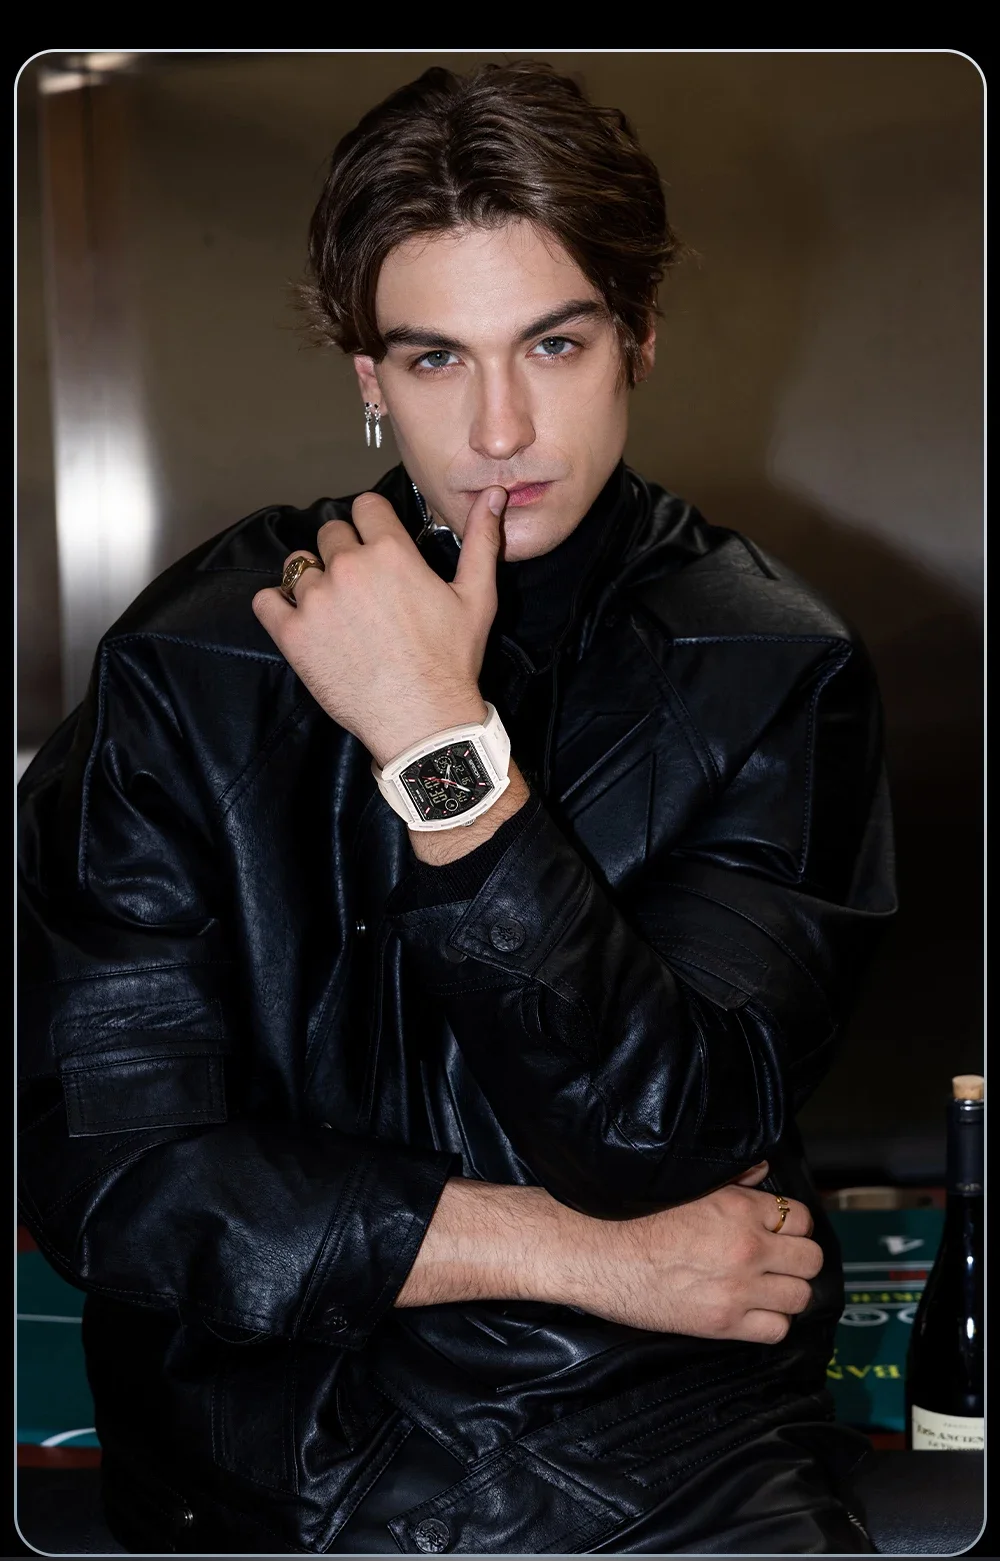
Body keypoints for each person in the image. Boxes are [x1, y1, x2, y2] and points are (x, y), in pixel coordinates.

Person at [17, 60, 897, 1554]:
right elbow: (112, 1176)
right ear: (369, 376)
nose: (500, 429)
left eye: (553, 343)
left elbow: (656, 1134)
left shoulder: (772, 669)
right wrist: (577, 1256)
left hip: (659, 1481)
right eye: (436, 360)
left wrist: (440, 746)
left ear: (639, 337)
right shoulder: (189, 665)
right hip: (264, 1496)